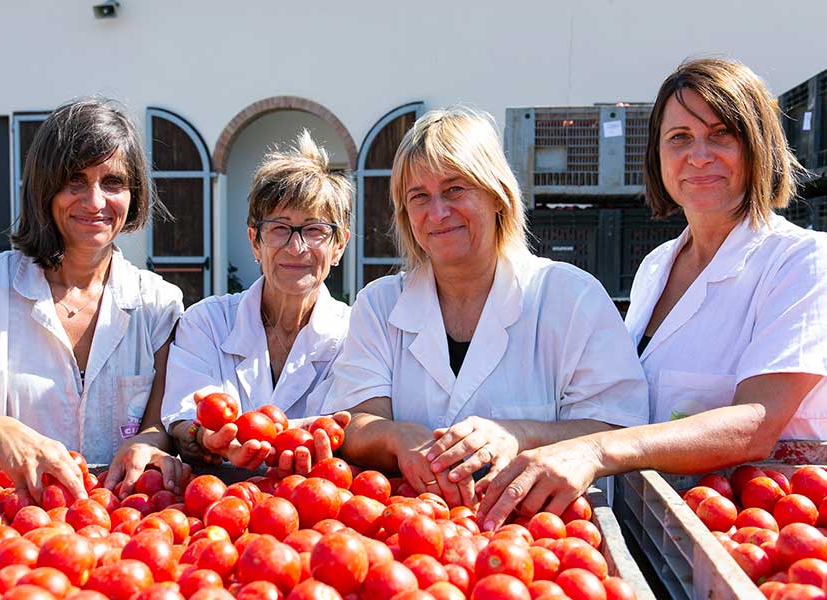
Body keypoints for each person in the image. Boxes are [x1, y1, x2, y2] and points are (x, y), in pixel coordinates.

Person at [477, 57, 827, 530]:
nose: (698, 155)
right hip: (663, 526)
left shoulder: (801, 261)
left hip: (757, 534)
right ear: (658, 156)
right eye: (679, 138)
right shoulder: (657, 266)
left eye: (722, 134)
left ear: (759, 147)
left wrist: (594, 449)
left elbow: (758, 423)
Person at [319, 107, 649, 508]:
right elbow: (351, 424)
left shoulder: (570, 297)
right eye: (419, 197)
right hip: (413, 535)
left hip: (539, 535)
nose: (437, 213)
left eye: (455, 189)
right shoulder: (379, 304)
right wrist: (395, 436)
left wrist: (517, 433)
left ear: (496, 195)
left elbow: (619, 427)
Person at [0, 98, 187, 502]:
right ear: (44, 188)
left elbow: (161, 424)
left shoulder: (159, 305)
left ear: (133, 194)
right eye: (75, 181)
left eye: (113, 182)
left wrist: (148, 444)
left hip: (117, 535)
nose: (95, 201)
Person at [162, 130, 353, 475]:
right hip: (218, 506)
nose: (296, 248)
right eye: (280, 228)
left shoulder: (357, 334)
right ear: (255, 241)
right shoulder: (206, 322)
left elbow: (353, 424)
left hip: (317, 507)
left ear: (339, 246)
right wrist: (205, 438)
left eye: (315, 230)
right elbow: (183, 419)